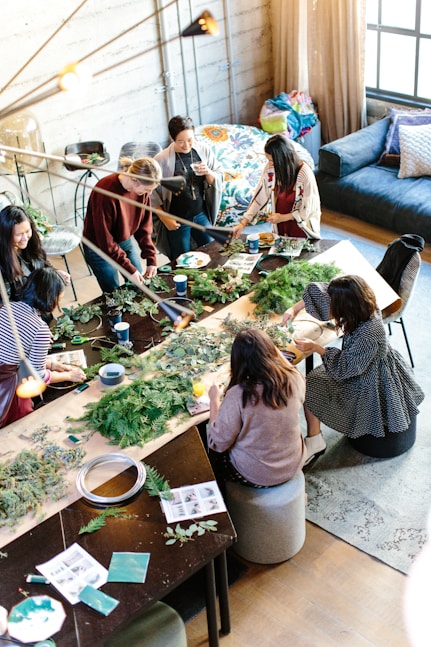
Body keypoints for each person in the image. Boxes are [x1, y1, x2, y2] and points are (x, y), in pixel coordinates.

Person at [283, 275, 425, 465]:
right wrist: (294, 308)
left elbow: (344, 368)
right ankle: (315, 438)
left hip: (368, 377)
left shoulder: (369, 333)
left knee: (310, 386)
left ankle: (315, 440)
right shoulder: (361, 300)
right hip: (362, 363)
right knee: (314, 378)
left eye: (335, 305)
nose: (330, 308)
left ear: (347, 306)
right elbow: (322, 292)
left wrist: (317, 348)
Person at [207, 329, 307, 489]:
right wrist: (266, 345)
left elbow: (218, 442)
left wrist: (214, 400)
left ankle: (223, 500)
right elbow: (288, 367)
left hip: (256, 475)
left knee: (214, 454)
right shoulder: (294, 378)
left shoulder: (238, 395)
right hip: (293, 463)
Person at [0, 268, 86, 427]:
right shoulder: (40, 329)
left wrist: (53, 364)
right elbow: (39, 377)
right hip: (6, 386)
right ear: (52, 297)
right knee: (21, 425)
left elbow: (15, 351)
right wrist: (70, 375)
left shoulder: (7, 308)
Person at [83, 157, 161, 294]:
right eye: (147, 189)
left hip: (124, 239)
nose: (149, 194)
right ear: (134, 180)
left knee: (139, 285)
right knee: (114, 292)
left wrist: (151, 258)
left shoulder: (142, 192)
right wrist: (129, 270)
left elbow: (144, 227)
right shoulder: (105, 192)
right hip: (98, 248)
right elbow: (105, 241)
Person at [152, 115, 224, 260]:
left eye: (190, 140)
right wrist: (165, 218)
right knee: (182, 259)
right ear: (172, 139)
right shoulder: (161, 160)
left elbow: (218, 174)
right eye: (181, 142)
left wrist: (208, 173)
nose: (186, 145)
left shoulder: (203, 150)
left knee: (213, 251)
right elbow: (151, 194)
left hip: (200, 213)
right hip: (177, 218)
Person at [233, 133, 321, 240]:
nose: (269, 164)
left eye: (271, 160)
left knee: (301, 255)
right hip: (280, 226)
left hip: (301, 228)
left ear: (282, 159)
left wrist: (283, 217)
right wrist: (243, 223)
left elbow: (309, 210)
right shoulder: (270, 169)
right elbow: (260, 197)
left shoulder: (304, 174)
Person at [0, 205, 70, 302]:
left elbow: (43, 263)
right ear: (6, 235)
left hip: (40, 304)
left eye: (28, 231)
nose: (25, 238)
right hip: (21, 313)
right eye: (19, 234)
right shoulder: (3, 262)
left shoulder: (31, 244)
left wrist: (54, 273)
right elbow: (5, 304)